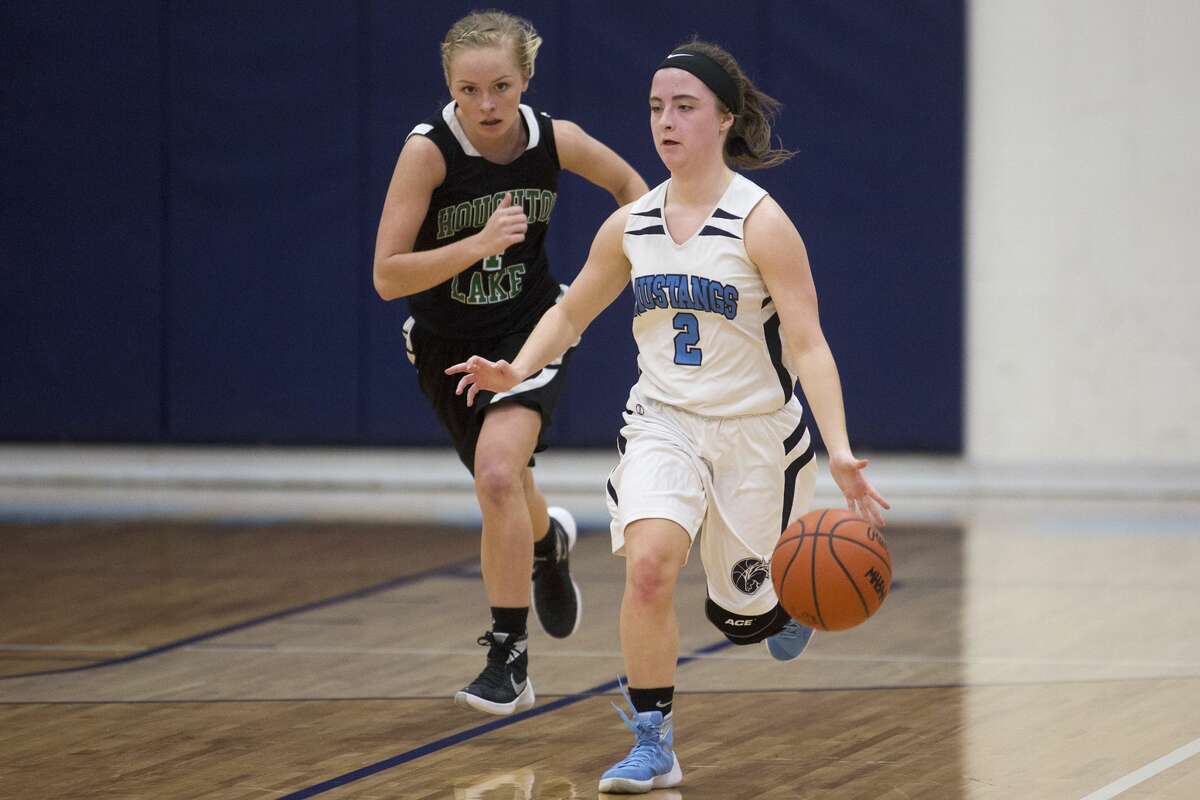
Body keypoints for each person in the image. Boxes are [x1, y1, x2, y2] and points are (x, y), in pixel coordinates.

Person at [447, 39, 890, 793]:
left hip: (755, 436)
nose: (666, 121)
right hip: (664, 424)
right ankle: (654, 742)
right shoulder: (632, 225)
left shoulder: (762, 224)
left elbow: (810, 347)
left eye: (684, 106)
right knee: (649, 568)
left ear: (723, 119)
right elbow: (574, 310)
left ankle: (780, 609)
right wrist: (517, 369)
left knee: (743, 620)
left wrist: (841, 448)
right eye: (656, 107)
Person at [373, 10, 648, 717]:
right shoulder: (429, 152)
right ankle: (548, 543)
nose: (487, 105)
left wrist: (641, 265)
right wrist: (475, 243)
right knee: (508, 484)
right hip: (445, 348)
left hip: (531, 331)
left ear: (526, 79)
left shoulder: (554, 139)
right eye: (470, 90)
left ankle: (509, 658)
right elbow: (387, 275)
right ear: (450, 88)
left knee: (497, 474)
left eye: (501, 86)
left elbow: (632, 191)